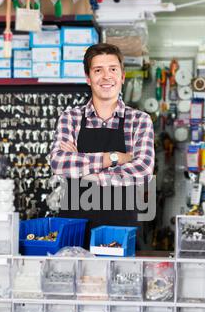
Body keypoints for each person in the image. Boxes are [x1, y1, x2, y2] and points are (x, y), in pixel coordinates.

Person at [50, 43, 154, 248]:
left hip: (121, 228)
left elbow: (143, 171)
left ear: (122, 76)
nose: (106, 77)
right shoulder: (70, 117)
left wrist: (89, 175)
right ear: (88, 78)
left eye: (113, 69)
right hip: (74, 229)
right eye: (98, 70)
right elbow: (59, 163)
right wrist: (116, 157)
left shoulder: (140, 120)